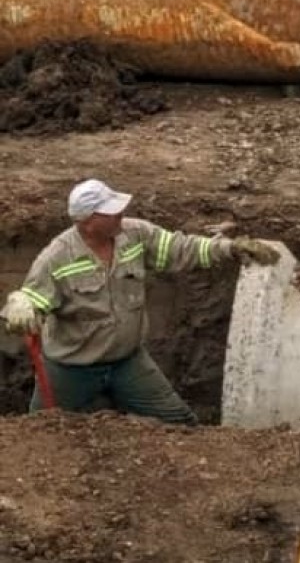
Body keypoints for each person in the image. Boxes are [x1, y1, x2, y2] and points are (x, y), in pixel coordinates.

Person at [0, 179, 280, 424]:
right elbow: (32, 300)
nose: (120, 214)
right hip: (71, 369)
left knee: (180, 425)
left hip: (127, 363)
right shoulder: (56, 258)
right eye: (110, 212)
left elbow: (180, 249)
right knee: (40, 433)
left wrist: (229, 248)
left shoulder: (134, 235)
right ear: (87, 222)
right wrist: (21, 305)